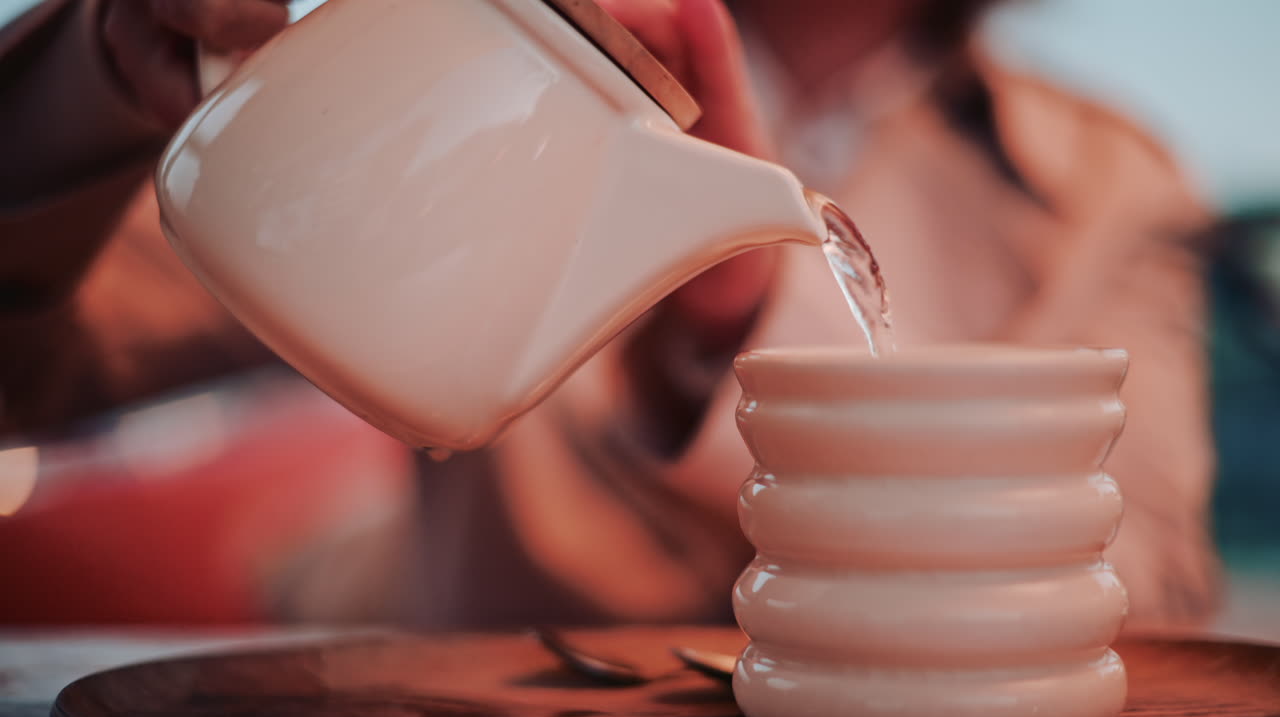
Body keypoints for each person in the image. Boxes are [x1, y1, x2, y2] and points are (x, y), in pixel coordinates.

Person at [0, 0, 1218, 630]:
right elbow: (31, 369)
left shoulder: (1107, 186)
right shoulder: (481, 62)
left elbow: (1143, 591)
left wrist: (731, 316)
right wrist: (95, 74)